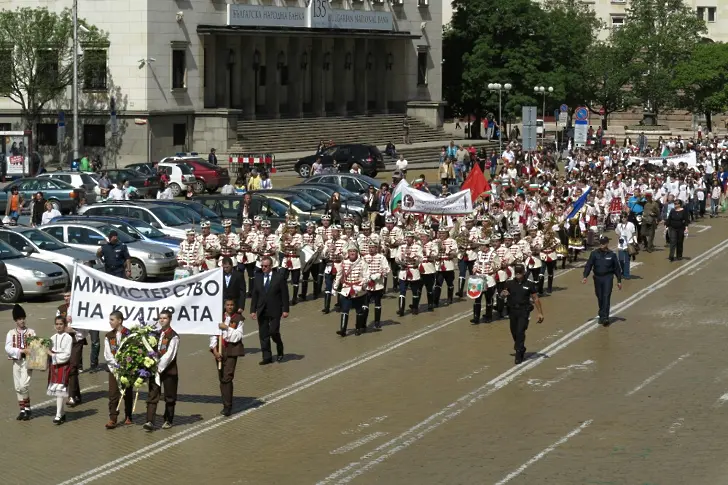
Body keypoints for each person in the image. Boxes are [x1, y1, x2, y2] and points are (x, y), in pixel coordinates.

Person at [500, 264, 544, 364]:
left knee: (520, 331)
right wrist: (503, 294)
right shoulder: (509, 283)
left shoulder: (529, 284)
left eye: (520, 272)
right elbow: (502, 295)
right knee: (514, 332)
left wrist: (540, 313)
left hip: (524, 311)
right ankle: (521, 347)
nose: (518, 274)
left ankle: (519, 353)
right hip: (512, 311)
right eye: (517, 272)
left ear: (524, 273)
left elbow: (535, 298)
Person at [144, 309, 179, 431]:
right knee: (153, 394)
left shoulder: (173, 336)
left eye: (165, 318)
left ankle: (168, 419)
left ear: (170, 319)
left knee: (169, 396)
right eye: (160, 318)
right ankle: (149, 421)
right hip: (155, 369)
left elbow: (170, 355)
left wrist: (159, 367)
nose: (162, 320)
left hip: (168, 371)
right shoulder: (156, 334)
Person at [250, 256, 289, 365]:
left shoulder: (279, 277)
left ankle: (279, 347)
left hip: (275, 309)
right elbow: (255, 295)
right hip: (262, 309)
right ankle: (267, 357)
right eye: (262, 266)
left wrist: (285, 309)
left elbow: (284, 295)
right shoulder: (258, 277)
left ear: (271, 266)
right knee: (263, 334)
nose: (263, 268)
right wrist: (252, 310)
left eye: (266, 266)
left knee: (273, 331)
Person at [210, 299, 244, 417]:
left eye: (232, 305)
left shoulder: (238, 319)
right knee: (221, 377)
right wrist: (214, 350)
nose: (229, 307)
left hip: (231, 351)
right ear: (224, 306)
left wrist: (226, 328)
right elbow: (213, 334)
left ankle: (227, 406)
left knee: (227, 377)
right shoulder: (219, 317)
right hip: (220, 350)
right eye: (227, 305)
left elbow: (237, 336)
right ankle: (225, 402)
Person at [582, 235, 622, 326]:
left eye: (603, 243)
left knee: (606, 296)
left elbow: (617, 268)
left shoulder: (612, 255)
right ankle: (601, 314)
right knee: (600, 297)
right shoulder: (594, 254)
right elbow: (589, 265)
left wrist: (619, 280)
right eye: (601, 243)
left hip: (608, 277)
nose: (601, 245)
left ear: (607, 243)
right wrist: (585, 276)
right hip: (597, 278)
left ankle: (605, 318)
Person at [5, 304, 35, 420]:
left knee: (24, 385)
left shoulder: (31, 332)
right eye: (19, 319)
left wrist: (30, 351)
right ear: (15, 320)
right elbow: (7, 348)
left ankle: (27, 408)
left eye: (23, 318)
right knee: (17, 386)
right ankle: (23, 410)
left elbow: (37, 347)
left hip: (27, 362)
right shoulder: (11, 333)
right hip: (16, 361)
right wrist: (20, 350)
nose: (22, 321)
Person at [104, 310, 133, 429]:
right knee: (113, 393)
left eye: (112, 320)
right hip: (114, 369)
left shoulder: (129, 334)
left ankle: (128, 416)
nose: (110, 322)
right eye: (110, 319)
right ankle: (113, 418)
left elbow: (133, 351)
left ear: (119, 320)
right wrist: (116, 364)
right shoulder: (109, 336)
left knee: (127, 392)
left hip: (127, 369)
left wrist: (127, 364)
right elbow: (107, 353)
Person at [334, 243, 370, 336]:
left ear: (357, 252)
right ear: (348, 253)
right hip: (346, 289)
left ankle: (358, 328)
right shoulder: (344, 262)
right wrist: (335, 286)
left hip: (358, 290)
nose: (352, 253)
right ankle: (343, 330)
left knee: (359, 310)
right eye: (350, 251)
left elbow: (367, 276)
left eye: (354, 251)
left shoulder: (363, 262)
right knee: (344, 310)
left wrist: (362, 285)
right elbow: (339, 275)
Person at [58, 292, 85, 406]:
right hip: (65, 341)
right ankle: (77, 394)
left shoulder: (80, 308)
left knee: (73, 366)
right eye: (64, 296)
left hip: (76, 341)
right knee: (69, 367)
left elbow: (85, 327)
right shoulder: (61, 309)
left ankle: (71, 396)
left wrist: (74, 330)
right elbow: (57, 324)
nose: (66, 298)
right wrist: (64, 328)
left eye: (68, 296)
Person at [47, 316, 73, 425]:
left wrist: (52, 355)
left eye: (61, 324)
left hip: (63, 366)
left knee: (60, 390)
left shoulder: (68, 338)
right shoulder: (52, 338)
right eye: (57, 324)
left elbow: (67, 355)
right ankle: (62, 413)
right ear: (54, 325)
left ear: (65, 325)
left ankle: (58, 415)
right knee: (58, 391)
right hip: (54, 366)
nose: (59, 326)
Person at [615, 214, 636, 279]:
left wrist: (635, 242)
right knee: (620, 260)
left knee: (627, 260)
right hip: (621, 245)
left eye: (624, 217)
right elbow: (617, 232)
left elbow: (634, 233)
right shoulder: (619, 225)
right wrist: (618, 237)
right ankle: (623, 271)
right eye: (622, 217)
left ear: (627, 217)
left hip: (628, 244)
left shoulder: (631, 224)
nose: (623, 218)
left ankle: (626, 275)